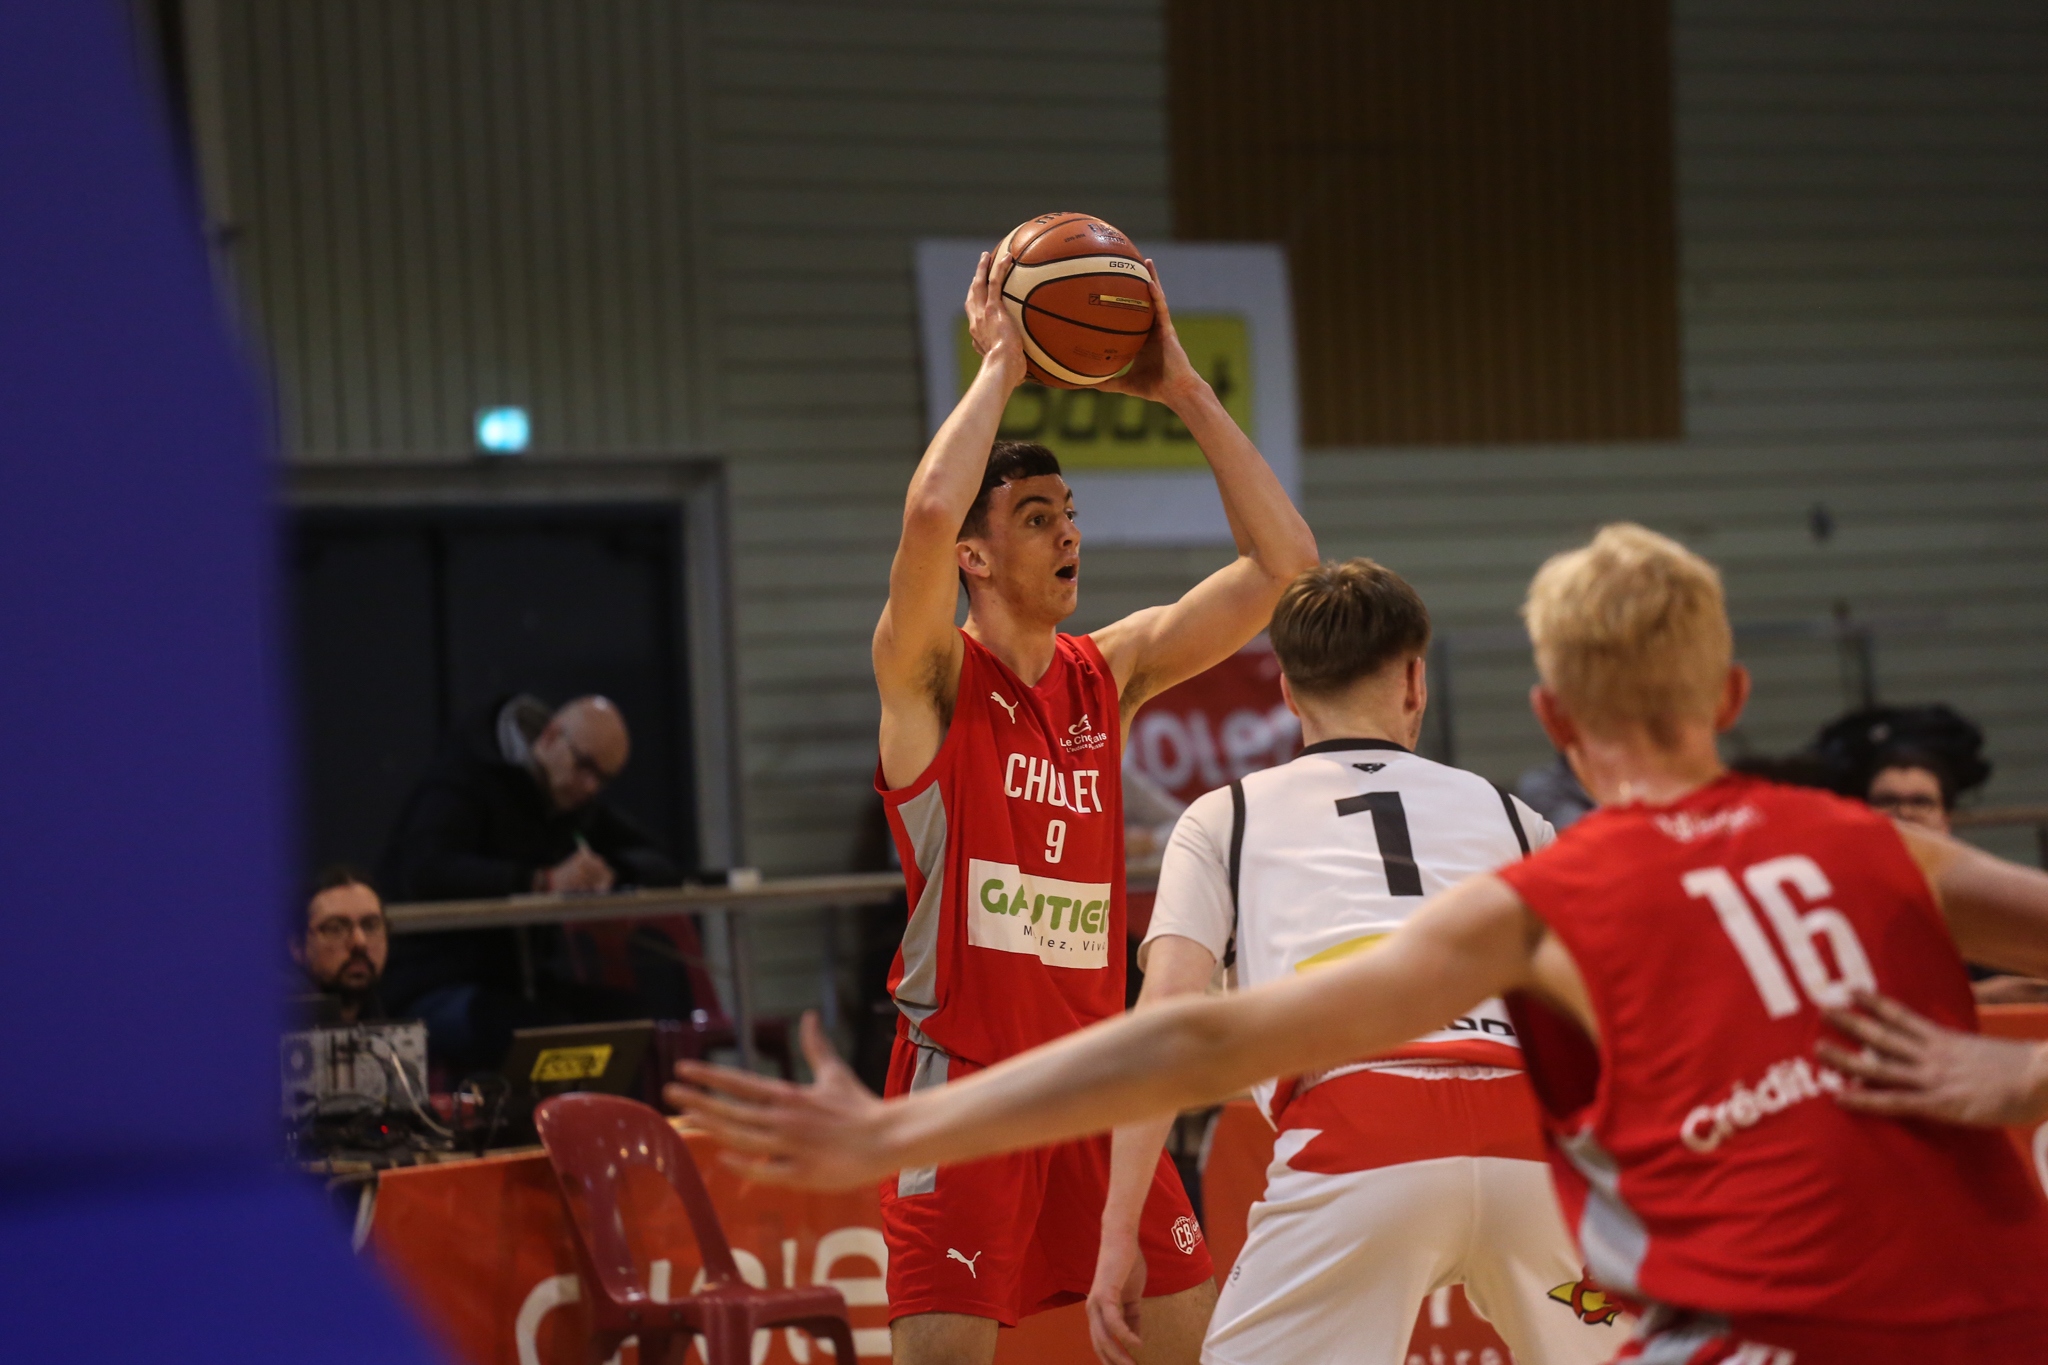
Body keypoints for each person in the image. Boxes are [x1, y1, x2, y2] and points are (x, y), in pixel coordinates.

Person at [674, 523, 2048, 1365]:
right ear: (1737, 695)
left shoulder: (1560, 880)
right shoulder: (1873, 846)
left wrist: (911, 1129)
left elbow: (1196, 1035)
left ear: (1553, 721)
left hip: (1373, 1136)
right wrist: (2020, 1081)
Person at [864, 247, 1317, 1364]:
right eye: (1032, 517)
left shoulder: (1103, 676)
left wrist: (1180, 388)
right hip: (966, 1082)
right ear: (974, 556)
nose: (1068, 533)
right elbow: (927, 508)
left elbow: (1284, 565)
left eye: (1068, 511)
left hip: (1099, 1085)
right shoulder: (930, 680)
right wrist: (1000, 365)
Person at [1088, 558, 1610, 1365]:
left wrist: (1117, 1228)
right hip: (1527, 1144)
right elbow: (1595, 1015)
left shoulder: (1223, 817)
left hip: (1361, 1134)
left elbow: (1163, 1023)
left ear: (1290, 694)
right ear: (1415, 682)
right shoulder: (1515, 818)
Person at [378, 693, 685, 1070]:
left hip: (522, 983)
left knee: (629, 1022)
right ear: (551, 737)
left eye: (603, 779)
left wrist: (611, 870)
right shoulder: (462, 778)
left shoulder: (573, 803)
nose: (590, 786)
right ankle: (546, 1127)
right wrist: (539, 881)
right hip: (431, 982)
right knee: (538, 1031)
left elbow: (661, 860)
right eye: (584, 767)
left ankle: (622, 1128)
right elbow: (427, 872)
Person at [290, 866, 391, 1027]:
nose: (359, 942)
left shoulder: (380, 1016)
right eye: (335, 928)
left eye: (370, 926)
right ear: (297, 947)